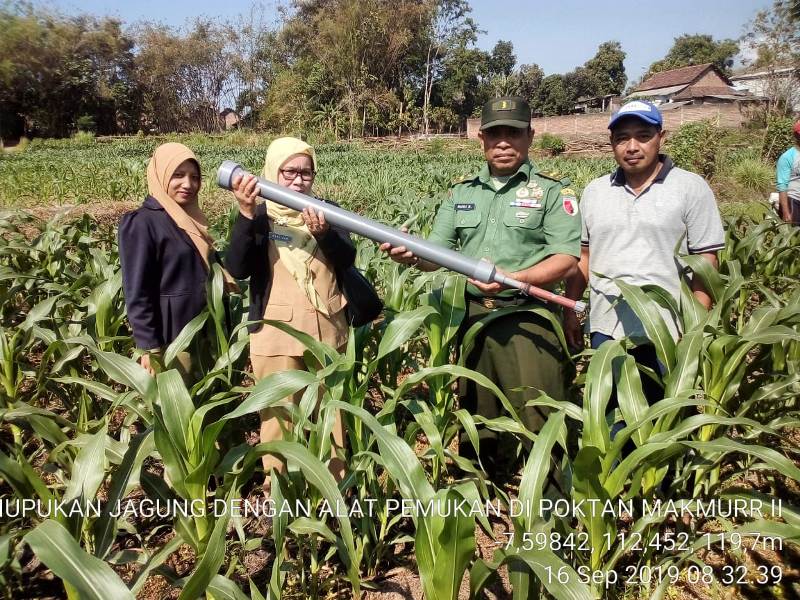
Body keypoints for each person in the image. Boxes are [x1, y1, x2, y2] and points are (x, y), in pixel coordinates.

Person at [381, 96, 581, 475]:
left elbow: (566, 259)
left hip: (527, 318)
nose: (503, 142)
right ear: (482, 140)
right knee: (479, 416)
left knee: (541, 419)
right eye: (494, 134)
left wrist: (516, 279)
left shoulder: (552, 193)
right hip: (472, 318)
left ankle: (550, 512)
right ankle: (484, 497)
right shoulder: (462, 193)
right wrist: (408, 255)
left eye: (513, 133)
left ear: (530, 137)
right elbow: (435, 253)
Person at [564, 100, 725, 404]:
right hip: (607, 329)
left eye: (643, 135)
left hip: (668, 330)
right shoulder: (596, 192)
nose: (632, 146)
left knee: (665, 415)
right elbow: (584, 258)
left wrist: (694, 326)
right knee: (609, 415)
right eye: (623, 138)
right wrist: (571, 309)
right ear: (612, 143)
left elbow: (707, 261)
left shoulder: (691, 188)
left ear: (661, 137)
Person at [224, 137, 354, 489]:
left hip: (327, 328)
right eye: (290, 171)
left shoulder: (327, 211)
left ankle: (333, 486)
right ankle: (279, 489)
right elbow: (237, 267)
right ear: (272, 171)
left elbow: (348, 260)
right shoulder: (260, 215)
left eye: (306, 172)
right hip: (275, 333)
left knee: (332, 414)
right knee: (279, 414)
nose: (299, 180)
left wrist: (325, 235)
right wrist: (246, 215)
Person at [119, 142, 230, 379]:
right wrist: (149, 346)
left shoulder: (191, 220)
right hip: (173, 339)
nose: (188, 184)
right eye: (178, 175)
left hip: (205, 332)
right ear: (160, 175)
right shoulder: (142, 222)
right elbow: (137, 291)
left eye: (194, 177)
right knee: (178, 407)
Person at [776, 120, 800, 225]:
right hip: (793, 200)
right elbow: (782, 186)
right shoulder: (787, 157)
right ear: (796, 136)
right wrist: (786, 212)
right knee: (794, 236)